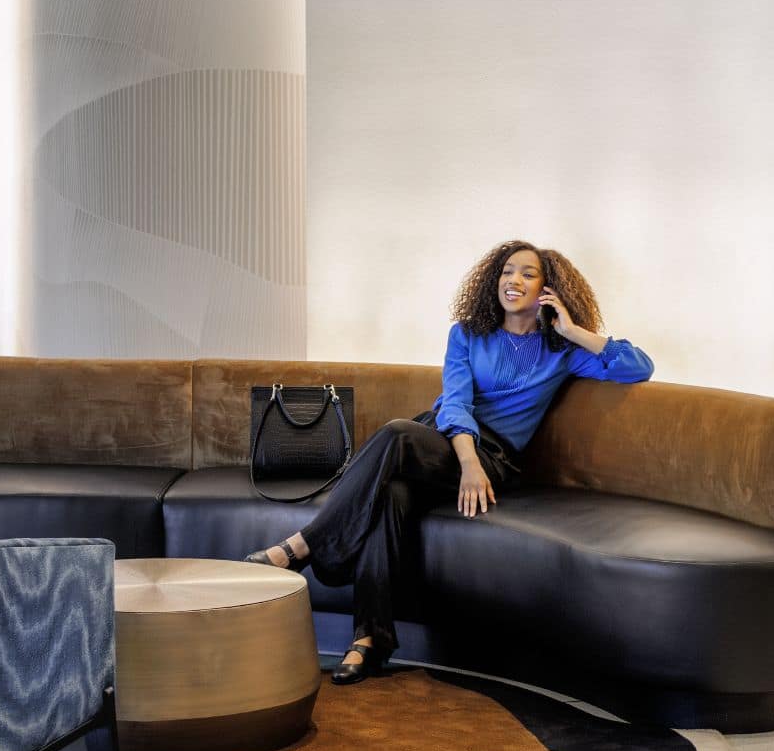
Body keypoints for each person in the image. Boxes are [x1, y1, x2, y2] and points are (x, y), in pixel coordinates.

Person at [246, 240, 653, 684]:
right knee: (392, 484)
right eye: (506, 271)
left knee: (396, 440)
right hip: (447, 443)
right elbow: (455, 403)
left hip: (495, 456)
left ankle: (303, 548)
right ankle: (370, 637)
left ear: (548, 289)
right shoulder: (467, 334)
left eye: (528, 274)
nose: (513, 281)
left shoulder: (563, 350)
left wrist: (573, 331)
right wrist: (467, 461)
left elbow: (638, 366)